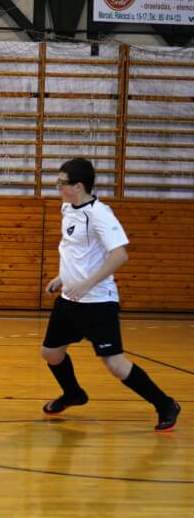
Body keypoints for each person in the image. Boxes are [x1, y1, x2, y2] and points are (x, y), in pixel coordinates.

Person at [40, 158, 180, 432]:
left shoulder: (100, 214)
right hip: (69, 300)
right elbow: (77, 251)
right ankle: (74, 394)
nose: (57, 187)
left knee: (115, 364)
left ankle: (165, 404)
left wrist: (86, 283)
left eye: (61, 183)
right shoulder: (67, 208)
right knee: (51, 353)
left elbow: (119, 255)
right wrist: (63, 278)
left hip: (98, 303)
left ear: (78, 186)